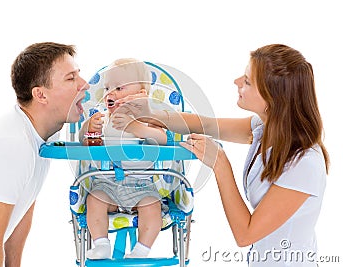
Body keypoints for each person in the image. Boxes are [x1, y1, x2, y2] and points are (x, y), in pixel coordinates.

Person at [115, 44, 329, 266]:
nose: (237, 82)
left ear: (272, 99)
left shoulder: (304, 163)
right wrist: (151, 114)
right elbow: (206, 125)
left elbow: (245, 234)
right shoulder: (265, 128)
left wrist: (219, 163)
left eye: (246, 81)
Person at [0, 42, 88, 267]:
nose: (84, 85)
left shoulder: (39, 137)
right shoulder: (12, 145)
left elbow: (19, 217)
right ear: (40, 95)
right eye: (71, 79)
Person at [79, 58, 165, 259]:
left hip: (142, 185)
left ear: (142, 94)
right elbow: (84, 142)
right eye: (108, 88)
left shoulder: (148, 117)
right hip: (107, 182)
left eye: (119, 88)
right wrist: (89, 128)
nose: (110, 93)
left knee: (153, 207)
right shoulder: (104, 118)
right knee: (94, 200)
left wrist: (136, 127)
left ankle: (141, 251)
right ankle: (101, 244)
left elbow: (162, 138)